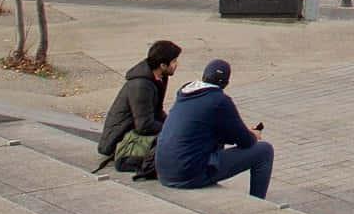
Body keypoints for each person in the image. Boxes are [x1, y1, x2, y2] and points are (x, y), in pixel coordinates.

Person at [156, 60, 273, 198]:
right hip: (187, 176)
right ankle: (257, 201)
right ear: (225, 83)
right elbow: (246, 141)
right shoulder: (220, 101)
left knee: (214, 136)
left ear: (204, 76)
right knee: (264, 151)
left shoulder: (185, 93)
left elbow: (202, 129)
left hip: (164, 171)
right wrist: (253, 134)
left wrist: (239, 131)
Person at [99, 39, 181, 172]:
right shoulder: (141, 85)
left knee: (174, 137)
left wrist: (173, 125)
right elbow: (144, 125)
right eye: (174, 61)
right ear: (162, 65)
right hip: (120, 139)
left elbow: (157, 111)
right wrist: (170, 130)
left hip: (134, 130)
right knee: (170, 143)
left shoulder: (160, 77)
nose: (176, 64)